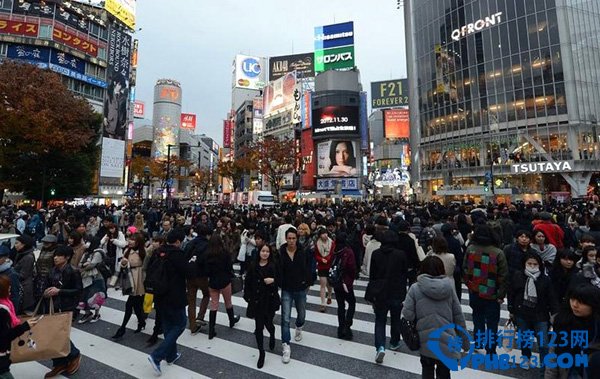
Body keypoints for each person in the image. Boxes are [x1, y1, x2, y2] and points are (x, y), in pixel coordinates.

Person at [401, 256, 467, 379]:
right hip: (446, 338)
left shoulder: (415, 288)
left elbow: (407, 315)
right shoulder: (449, 288)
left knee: (427, 369)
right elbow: (458, 316)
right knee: (444, 372)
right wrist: (465, 341)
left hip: (425, 339)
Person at [507, 253, 559, 372]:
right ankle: (526, 357)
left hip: (540, 315)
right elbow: (511, 293)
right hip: (522, 313)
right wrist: (511, 309)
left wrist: (555, 313)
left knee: (543, 343)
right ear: (524, 264)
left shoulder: (545, 279)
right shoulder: (518, 276)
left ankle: (545, 364)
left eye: (535, 264)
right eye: (529, 263)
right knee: (525, 339)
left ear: (540, 265)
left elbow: (551, 297)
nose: (532, 266)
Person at [463, 224, 508, 355]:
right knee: (492, 322)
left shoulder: (470, 249)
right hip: (491, 293)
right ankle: (491, 348)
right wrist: (500, 294)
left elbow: (465, 269)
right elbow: (503, 276)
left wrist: (470, 285)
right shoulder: (498, 252)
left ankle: (478, 342)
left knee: (477, 317)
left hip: (475, 290)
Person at [147, 230, 188, 376]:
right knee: (180, 324)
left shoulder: (158, 252)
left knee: (168, 326)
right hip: (175, 295)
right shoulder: (178, 254)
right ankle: (157, 356)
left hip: (159, 295)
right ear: (177, 241)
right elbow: (188, 272)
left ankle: (171, 355)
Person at [368, 230, 408, 364]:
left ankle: (380, 346)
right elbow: (404, 273)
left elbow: (372, 275)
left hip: (380, 292)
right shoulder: (401, 254)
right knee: (396, 317)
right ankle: (394, 341)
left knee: (380, 320)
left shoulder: (376, 254)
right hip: (396, 291)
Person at [43, 245, 82, 378]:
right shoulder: (52, 270)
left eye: (59, 255)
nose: (55, 258)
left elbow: (78, 290)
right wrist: (46, 292)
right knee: (53, 335)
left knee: (60, 334)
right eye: (55, 255)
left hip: (67, 307)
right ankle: (59, 363)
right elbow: (46, 285)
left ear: (66, 257)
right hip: (52, 306)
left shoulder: (73, 271)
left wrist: (60, 291)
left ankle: (74, 354)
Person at [545, 285, 600, 379]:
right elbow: (553, 356)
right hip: (568, 372)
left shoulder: (596, 328)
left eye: (582, 302)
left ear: (593, 305)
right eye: (572, 299)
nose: (574, 304)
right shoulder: (561, 322)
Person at [243, 244, 279, 369]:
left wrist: (273, 281)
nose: (265, 253)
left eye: (267, 251)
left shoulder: (273, 266)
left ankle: (272, 333)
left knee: (268, 323)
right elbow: (247, 282)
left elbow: (279, 280)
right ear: (259, 252)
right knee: (258, 328)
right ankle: (261, 353)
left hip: (269, 301)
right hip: (257, 301)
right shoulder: (253, 266)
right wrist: (247, 296)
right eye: (263, 251)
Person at [278, 228, 311, 364]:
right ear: (286, 239)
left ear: (297, 239)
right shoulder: (280, 253)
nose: (291, 241)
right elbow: (278, 269)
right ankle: (286, 345)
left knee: (301, 314)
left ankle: (299, 326)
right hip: (286, 288)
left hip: (300, 288)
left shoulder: (303, 251)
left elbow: (309, 268)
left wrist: (307, 283)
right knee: (285, 318)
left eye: (293, 238)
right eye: (289, 238)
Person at [0, 275, 39, 379]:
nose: (10, 290)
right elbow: (5, 337)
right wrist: (25, 326)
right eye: (8, 288)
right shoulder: (2, 311)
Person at [205, 233, 239, 340]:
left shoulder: (207, 254)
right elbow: (229, 267)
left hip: (213, 282)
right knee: (228, 302)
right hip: (224, 280)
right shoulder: (225, 253)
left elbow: (206, 270)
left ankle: (211, 330)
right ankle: (231, 321)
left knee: (214, 305)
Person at [112, 233, 146, 339]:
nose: (130, 241)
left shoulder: (143, 251)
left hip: (140, 280)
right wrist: (123, 263)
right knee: (135, 305)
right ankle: (141, 322)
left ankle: (122, 328)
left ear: (138, 241)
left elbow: (147, 266)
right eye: (129, 239)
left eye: (133, 240)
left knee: (132, 305)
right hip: (130, 279)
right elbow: (123, 265)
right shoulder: (127, 250)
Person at [184, 224, 211, 334]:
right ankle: (200, 316)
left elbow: (185, 256)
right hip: (202, 274)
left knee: (191, 300)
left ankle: (192, 325)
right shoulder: (207, 245)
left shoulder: (191, 243)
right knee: (206, 294)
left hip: (190, 274)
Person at [331, 232, 356, 340]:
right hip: (346, 282)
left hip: (336, 282)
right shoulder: (348, 252)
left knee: (340, 305)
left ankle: (341, 328)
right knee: (352, 302)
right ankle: (347, 324)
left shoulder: (335, 251)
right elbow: (352, 268)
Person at [77, 244, 106, 324]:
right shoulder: (85, 253)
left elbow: (92, 265)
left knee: (96, 296)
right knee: (85, 296)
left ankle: (97, 314)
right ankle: (87, 313)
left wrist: (83, 267)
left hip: (96, 277)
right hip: (85, 278)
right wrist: (84, 264)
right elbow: (80, 263)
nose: (86, 244)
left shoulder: (98, 253)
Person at [12, 235, 35, 313]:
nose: (15, 245)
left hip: (24, 287)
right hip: (18, 284)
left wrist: (11, 273)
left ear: (23, 244)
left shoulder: (29, 257)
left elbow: (23, 275)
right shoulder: (20, 253)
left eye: (17, 243)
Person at [314, 227, 334, 312]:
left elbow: (333, 253)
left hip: (329, 265)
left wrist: (328, 258)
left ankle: (329, 295)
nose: (324, 235)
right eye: (322, 233)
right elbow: (316, 255)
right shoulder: (317, 244)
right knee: (322, 285)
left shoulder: (332, 243)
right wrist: (321, 259)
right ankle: (323, 303)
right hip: (322, 266)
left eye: (325, 233)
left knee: (329, 284)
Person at [0, 247, 21, 315]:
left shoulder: (11, 274)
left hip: (6, 311)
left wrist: (13, 315)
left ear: (5, 258)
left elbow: (15, 296)